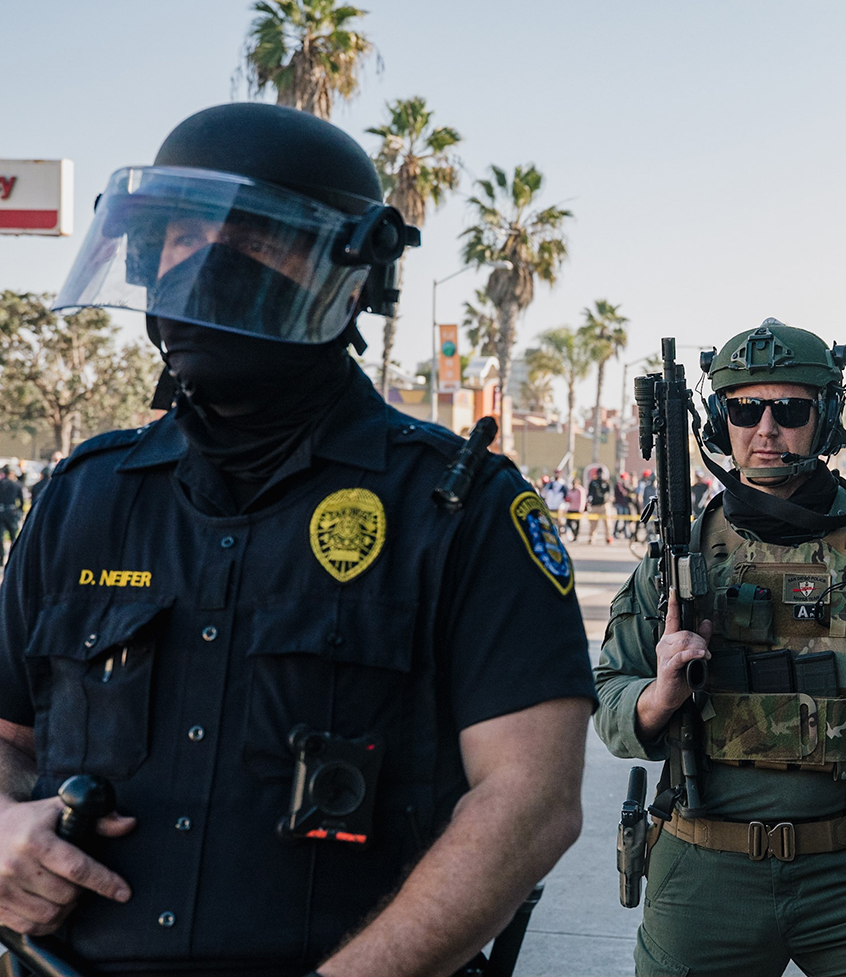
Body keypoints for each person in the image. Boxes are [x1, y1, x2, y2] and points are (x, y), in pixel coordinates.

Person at [0, 103, 596, 977]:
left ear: (349, 277)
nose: (204, 265)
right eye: (180, 236)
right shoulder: (83, 496)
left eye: (254, 238)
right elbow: (9, 735)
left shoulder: (458, 509)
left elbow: (532, 798)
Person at [594, 321, 846, 977]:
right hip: (702, 873)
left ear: (825, 420)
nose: (765, 428)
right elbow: (608, 692)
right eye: (745, 408)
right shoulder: (679, 557)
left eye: (790, 409)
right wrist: (657, 698)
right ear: (721, 421)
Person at [0, 465, 25, 565]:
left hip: (1, 512)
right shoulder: (17, 484)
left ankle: (1, 558)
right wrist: (20, 510)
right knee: (13, 537)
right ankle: (12, 558)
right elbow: (22, 500)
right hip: (12, 512)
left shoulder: (1, 484)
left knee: (0, 536)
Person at [587, 465, 614, 544]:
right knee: (593, 524)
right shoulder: (593, 482)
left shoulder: (606, 482)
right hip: (595, 505)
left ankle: (608, 537)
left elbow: (610, 493)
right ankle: (592, 538)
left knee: (608, 523)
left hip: (604, 505)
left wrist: (609, 499)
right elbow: (589, 493)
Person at [564, 476, 584, 541]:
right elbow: (568, 499)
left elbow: (582, 500)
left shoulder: (580, 490)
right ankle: (574, 532)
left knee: (577, 522)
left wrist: (581, 508)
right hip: (571, 508)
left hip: (577, 509)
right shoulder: (570, 491)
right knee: (568, 522)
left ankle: (576, 535)